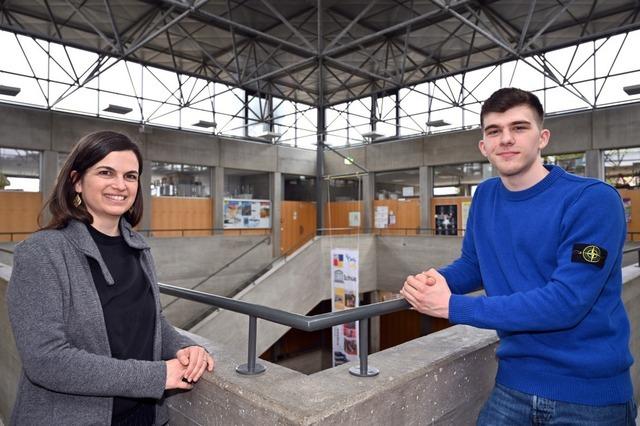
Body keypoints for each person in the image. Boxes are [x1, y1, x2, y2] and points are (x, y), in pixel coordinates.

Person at [400, 88, 636, 425]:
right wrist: (434, 282)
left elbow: (566, 302)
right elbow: (475, 264)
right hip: (513, 384)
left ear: (542, 138)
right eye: (494, 131)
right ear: (484, 146)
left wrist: (452, 306)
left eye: (519, 128)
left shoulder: (592, 201)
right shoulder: (484, 196)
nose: (506, 139)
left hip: (589, 398)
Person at [7, 131, 215, 425]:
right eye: (106, 172)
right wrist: (157, 375)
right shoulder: (42, 253)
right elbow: (46, 360)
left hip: (144, 418)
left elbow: (151, 322)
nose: (120, 185)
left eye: (130, 176)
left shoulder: (137, 247)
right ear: (76, 181)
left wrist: (183, 347)